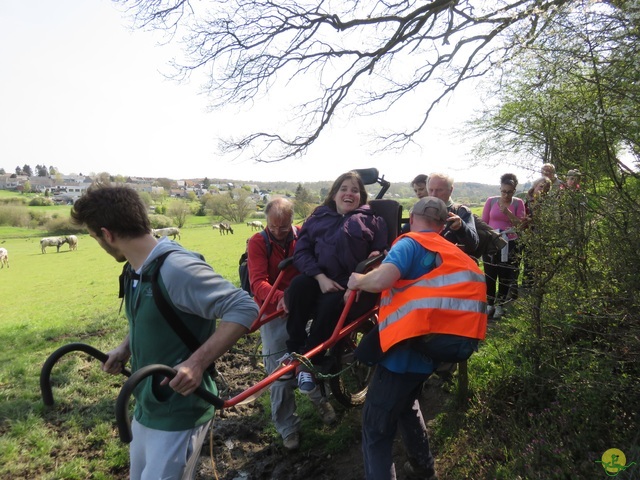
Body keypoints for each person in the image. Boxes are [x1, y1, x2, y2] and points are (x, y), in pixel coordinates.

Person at [70, 184, 259, 480]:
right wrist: (125, 348)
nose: (99, 243)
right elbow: (153, 317)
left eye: (95, 237)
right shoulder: (137, 269)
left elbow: (244, 307)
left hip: (180, 411)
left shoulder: (176, 268)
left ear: (107, 234)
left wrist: (196, 363)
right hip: (148, 404)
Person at [347, 196, 487, 480]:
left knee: (375, 430)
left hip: (401, 355)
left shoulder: (409, 242)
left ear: (411, 219)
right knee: (407, 404)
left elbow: (383, 279)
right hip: (431, 352)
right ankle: (424, 468)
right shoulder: (450, 252)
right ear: (440, 223)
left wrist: (358, 281)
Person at [284, 171, 388, 393]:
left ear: (361, 196)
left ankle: (308, 363)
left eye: (355, 190)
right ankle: (293, 349)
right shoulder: (317, 218)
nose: (349, 193)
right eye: (344, 189)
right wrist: (320, 278)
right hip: (319, 276)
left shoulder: (373, 220)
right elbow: (301, 252)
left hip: (349, 282)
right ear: (334, 194)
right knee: (298, 286)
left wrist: (363, 278)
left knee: (331, 303)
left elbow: (380, 253)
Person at [247, 198, 336, 451]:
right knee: (280, 372)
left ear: (291, 222)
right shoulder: (258, 242)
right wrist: (280, 299)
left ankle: (321, 402)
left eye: (283, 227)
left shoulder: (301, 236)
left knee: (310, 355)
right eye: (273, 227)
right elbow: (257, 282)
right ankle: (288, 427)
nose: (277, 232)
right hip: (274, 310)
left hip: (304, 306)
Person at [482, 173, 526, 319]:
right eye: (503, 191)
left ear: (514, 191)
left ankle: (500, 305)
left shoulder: (518, 203)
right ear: (500, 189)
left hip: (510, 242)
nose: (506, 195)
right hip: (492, 241)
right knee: (490, 273)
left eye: (509, 192)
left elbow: (521, 224)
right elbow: (483, 222)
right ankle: (489, 304)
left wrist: (507, 213)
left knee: (505, 274)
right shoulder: (491, 201)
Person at [427, 172, 479, 256]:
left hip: (453, 265)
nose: (434, 194)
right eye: (431, 190)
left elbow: (473, 245)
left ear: (450, 190)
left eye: (439, 190)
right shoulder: (422, 212)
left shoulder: (462, 211)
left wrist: (461, 227)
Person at [521, 176, 552, 288]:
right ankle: (526, 287)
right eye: (541, 186)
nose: (543, 190)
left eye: (547, 189)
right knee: (528, 262)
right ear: (535, 186)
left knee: (541, 263)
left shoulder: (548, 202)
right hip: (526, 235)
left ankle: (538, 288)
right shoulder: (524, 199)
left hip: (543, 236)